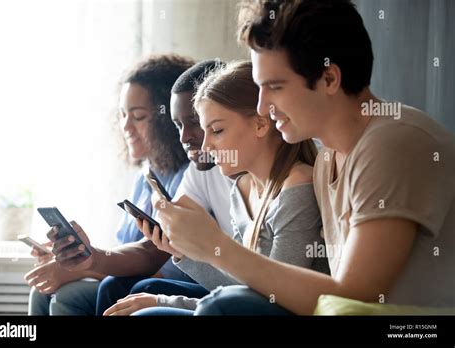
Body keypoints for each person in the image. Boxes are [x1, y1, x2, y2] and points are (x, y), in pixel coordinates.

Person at [147, 0, 455, 315]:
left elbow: (353, 300)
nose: (263, 105)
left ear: (329, 80)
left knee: (225, 307)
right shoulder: (326, 163)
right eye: (259, 89)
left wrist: (215, 247)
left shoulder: (393, 143)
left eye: (275, 88)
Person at [126, 60, 329, 316]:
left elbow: (276, 297)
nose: (206, 146)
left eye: (217, 130)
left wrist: (168, 302)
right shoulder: (242, 188)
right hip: (250, 306)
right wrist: (182, 253)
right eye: (204, 131)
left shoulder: (298, 185)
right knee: (144, 305)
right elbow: (241, 289)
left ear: (260, 124)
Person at [25, 54, 193, 315]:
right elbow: (124, 252)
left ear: (168, 119)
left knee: (69, 296)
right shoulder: (144, 176)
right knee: (43, 292)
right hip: (131, 276)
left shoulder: (190, 175)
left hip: (159, 282)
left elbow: (152, 257)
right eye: (122, 115)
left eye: (138, 116)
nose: (125, 126)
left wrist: (82, 266)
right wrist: (75, 260)